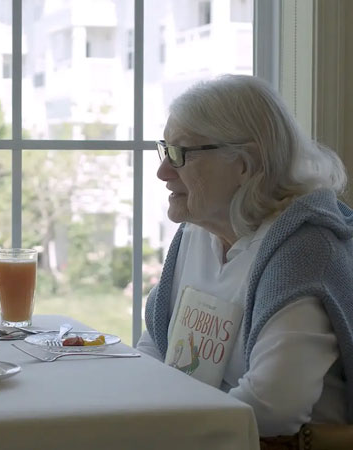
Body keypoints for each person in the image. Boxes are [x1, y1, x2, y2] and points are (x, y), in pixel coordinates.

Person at [136, 74, 353, 441]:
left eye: (180, 154)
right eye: (165, 150)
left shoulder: (302, 249)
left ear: (245, 164)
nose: (163, 171)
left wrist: (156, 430)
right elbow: (156, 346)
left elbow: (270, 410)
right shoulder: (199, 231)